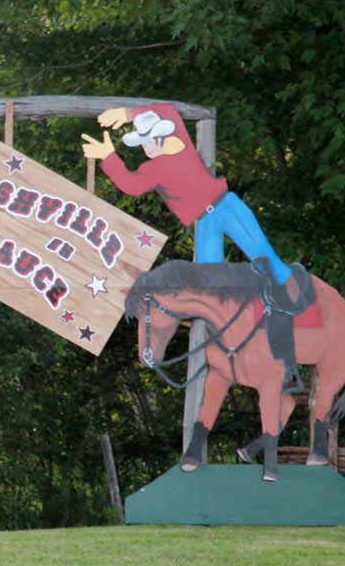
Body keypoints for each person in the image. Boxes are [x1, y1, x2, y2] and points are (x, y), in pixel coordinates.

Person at [82, 104, 311, 392]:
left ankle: (296, 322)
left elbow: (165, 117)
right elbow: (132, 182)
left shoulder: (173, 149)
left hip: (228, 208)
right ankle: (234, 344)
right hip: (206, 221)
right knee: (207, 287)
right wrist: (113, 148)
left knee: (268, 261)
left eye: (148, 141)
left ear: (161, 136)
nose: (145, 148)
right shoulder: (160, 162)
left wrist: (123, 125)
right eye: (142, 143)